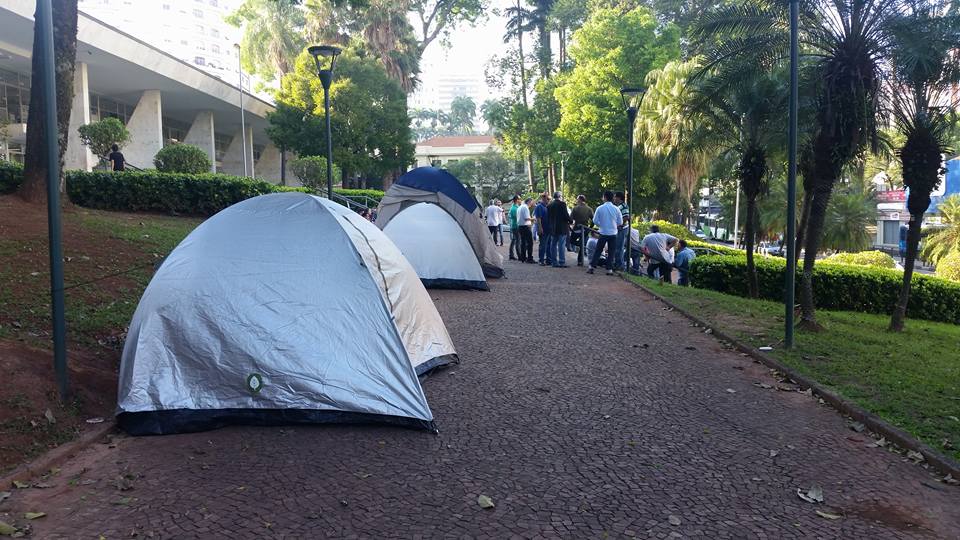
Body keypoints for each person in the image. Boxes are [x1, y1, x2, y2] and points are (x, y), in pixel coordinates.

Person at [588, 190, 622, 275]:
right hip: (613, 233)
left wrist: (601, 225)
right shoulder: (616, 209)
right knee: (611, 252)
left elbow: (595, 221)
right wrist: (614, 225)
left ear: (605, 197)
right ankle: (609, 269)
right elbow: (620, 222)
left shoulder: (600, 208)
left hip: (603, 233)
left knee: (598, 250)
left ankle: (592, 267)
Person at [547, 191, 572, 268]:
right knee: (561, 245)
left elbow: (549, 217)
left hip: (553, 228)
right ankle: (561, 262)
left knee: (553, 245)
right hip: (562, 228)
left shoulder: (549, 205)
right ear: (559, 196)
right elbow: (566, 215)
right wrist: (571, 221)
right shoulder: (562, 204)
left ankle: (554, 262)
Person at [569, 195, 593, 266]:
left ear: (580, 200)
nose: (576, 201)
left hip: (576, 229)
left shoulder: (575, 208)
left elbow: (570, 219)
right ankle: (579, 260)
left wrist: (570, 227)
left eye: (577, 199)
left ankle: (580, 246)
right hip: (585, 229)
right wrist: (590, 228)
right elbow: (593, 220)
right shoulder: (589, 209)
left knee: (571, 241)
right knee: (582, 244)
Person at [534, 193, 553, 265]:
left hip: (549, 229)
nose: (548, 200)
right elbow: (538, 218)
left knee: (549, 245)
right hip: (543, 229)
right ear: (543, 198)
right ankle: (541, 260)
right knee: (543, 245)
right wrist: (540, 228)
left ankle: (549, 260)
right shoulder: (539, 207)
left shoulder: (547, 206)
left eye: (549, 199)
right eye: (547, 199)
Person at [613, 192, 630, 271]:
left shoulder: (623, 206)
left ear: (619, 198)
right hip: (620, 229)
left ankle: (620, 266)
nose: (614, 198)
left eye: (615, 197)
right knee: (617, 247)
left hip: (622, 229)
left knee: (619, 248)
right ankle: (618, 264)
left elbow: (626, 217)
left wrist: (619, 225)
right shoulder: (619, 206)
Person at [517, 197, 535, 263]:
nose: (532, 204)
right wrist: (533, 219)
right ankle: (529, 258)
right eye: (531, 202)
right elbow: (526, 218)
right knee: (530, 242)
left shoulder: (520, 207)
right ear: (529, 202)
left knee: (523, 242)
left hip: (520, 226)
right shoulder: (525, 207)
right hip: (525, 226)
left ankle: (523, 257)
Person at [508, 195, 521, 260]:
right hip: (516, 226)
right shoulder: (514, 208)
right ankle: (519, 255)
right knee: (518, 241)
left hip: (514, 225)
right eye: (519, 199)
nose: (520, 200)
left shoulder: (514, 207)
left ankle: (511, 254)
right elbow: (517, 217)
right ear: (517, 200)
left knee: (514, 240)